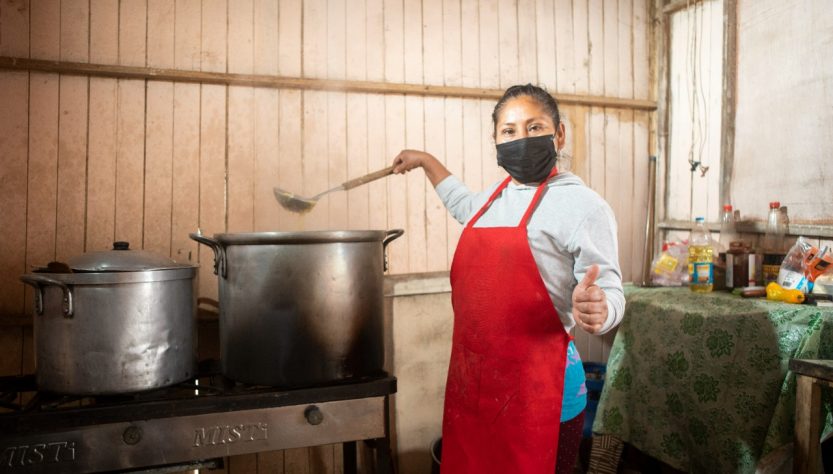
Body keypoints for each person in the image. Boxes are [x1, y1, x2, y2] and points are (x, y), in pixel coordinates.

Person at [391, 84, 625, 473]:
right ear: (496, 141)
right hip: (476, 392)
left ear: (559, 134)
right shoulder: (492, 201)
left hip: (543, 395)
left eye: (535, 128)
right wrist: (425, 160)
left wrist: (602, 309)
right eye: (509, 131)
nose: (522, 139)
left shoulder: (583, 206)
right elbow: (460, 201)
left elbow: (611, 290)